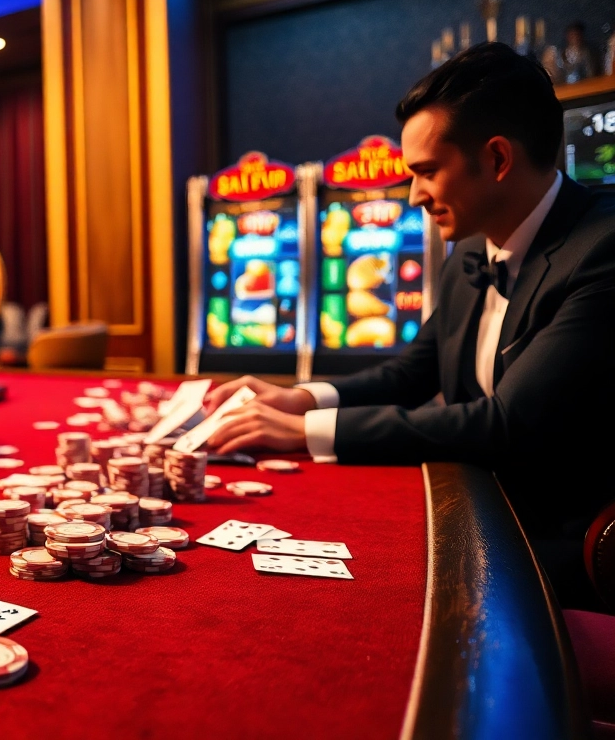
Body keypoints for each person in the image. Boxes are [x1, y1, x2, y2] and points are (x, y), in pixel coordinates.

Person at [202, 42, 615, 607]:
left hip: (554, 547)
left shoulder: (603, 249)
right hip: (471, 505)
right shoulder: (472, 251)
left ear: (497, 159)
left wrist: (304, 436)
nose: (415, 195)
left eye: (426, 173)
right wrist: (298, 398)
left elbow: (508, 423)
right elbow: (409, 375)